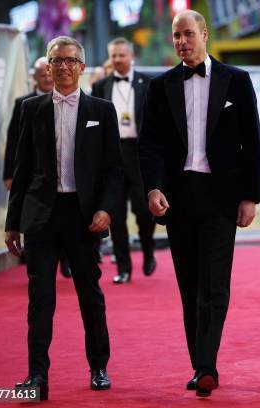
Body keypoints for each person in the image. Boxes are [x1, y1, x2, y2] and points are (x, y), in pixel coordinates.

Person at [138, 10, 260, 398]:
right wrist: (153, 188)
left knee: (215, 284)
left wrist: (249, 196)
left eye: (188, 34)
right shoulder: (160, 86)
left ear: (204, 35)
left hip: (221, 196)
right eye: (176, 36)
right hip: (178, 196)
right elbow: (151, 144)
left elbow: (251, 141)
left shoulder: (237, 81)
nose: (182, 42)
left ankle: (206, 365)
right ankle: (200, 363)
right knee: (189, 285)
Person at [4, 36, 123, 400]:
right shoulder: (32, 109)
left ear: (82, 67)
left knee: (90, 293)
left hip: (84, 216)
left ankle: (99, 366)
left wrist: (105, 210)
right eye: (57, 61)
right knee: (40, 298)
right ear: (48, 67)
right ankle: (37, 376)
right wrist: (12, 222)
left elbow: (114, 170)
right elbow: (22, 170)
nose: (64, 67)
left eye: (71, 61)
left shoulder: (102, 111)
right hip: (41, 216)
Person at [92, 37, 156, 283]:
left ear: (131, 56)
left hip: (139, 154)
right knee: (115, 213)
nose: (117, 59)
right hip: (113, 155)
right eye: (113, 55)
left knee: (143, 209)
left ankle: (149, 251)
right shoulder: (101, 87)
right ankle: (124, 267)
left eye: (121, 55)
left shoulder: (148, 83)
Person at [3, 57, 73, 278]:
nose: (45, 77)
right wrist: (9, 173)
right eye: (41, 74)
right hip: (36, 175)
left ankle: (66, 259)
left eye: (47, 74)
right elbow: (14, 140)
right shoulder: (24, 104)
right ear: (35, 76)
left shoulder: (76, 102)